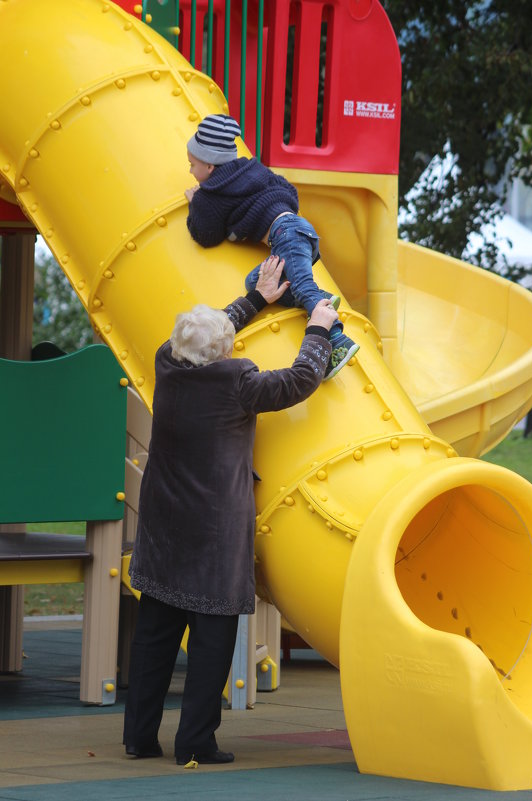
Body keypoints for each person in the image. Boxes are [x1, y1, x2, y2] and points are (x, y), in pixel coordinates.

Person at [123, 255, 338, 767]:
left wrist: (252, 302)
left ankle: (139, 736)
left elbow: (205, 334)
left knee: (155, 632)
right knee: (212, 637)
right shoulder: (238, 383)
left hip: (164, 522)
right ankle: (195, 741)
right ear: (224, 352)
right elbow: (301, 378)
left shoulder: (166, 363)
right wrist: (318, 328)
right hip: (212, 529)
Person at [184, 113, 359, 381]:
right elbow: (288, 190)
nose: (190, 171)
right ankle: (317, 297)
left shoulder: (210, 195)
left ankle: (336, 341)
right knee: (255, 281)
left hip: (286, 236)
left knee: (302, 285)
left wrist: (194, 203)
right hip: (298, 229)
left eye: (192, 164)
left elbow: (205, 234)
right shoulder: (252, 168)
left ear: (209, 167)